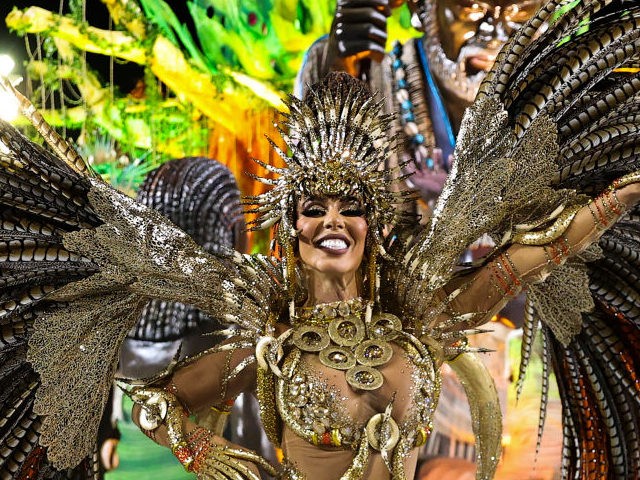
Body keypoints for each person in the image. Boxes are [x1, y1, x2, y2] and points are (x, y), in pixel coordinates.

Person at [1, 2, 640, 479]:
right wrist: (211, 454)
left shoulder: (419, 318)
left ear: (374, 222)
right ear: (292, 225)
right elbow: (155, 405)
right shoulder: (268, 341)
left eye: (351, 206)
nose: (333, 221)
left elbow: (540, 254)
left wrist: (623, 193)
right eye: (314, 208)